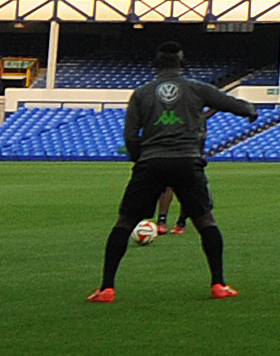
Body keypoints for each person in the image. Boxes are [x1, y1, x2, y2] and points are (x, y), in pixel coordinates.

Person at [88, 42, 258, 302]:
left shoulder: (142, 94)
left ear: (155, 66)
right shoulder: (195, 88)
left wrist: (140, 159)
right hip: (187, 160)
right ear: (182, 64)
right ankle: (218, 284)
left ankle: (106, 288)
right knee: (206, 222)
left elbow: (130, 136)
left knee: (124, 223)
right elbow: (230, 103)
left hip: (152, 162)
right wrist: (250, 110)